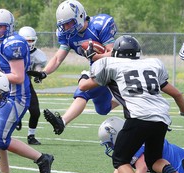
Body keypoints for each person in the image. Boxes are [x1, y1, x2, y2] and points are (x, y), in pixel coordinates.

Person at [79, 35, 184, 173]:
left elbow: (84, 87)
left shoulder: (112, 65)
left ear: (116, 53)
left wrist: (85, 73)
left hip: (139, 116)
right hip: (161, 117)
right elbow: (177, 94)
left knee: (120, 159)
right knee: (153, 159)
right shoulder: (152, 64)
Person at [28, 0, 118, 135]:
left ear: (80, 16)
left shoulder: (99, 25)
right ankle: (122, 98)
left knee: (83, 90)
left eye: (69, 23)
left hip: (114, 67)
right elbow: (58, 58)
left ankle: (62, 122)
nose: (66, 28)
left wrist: (94, 57)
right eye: (63, 25)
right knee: (102, 109)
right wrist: (44, 73)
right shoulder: (67, 35)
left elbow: (113, 54)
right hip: (98, 68)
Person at [0, 9, 54, 173]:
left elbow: (17, 76)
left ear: (9, 27)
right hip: (1, 96)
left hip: (16, 97)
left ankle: (42, 159)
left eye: (1, 26)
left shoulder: (13, 44)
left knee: (1, 138)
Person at [18, 26, 47, 145]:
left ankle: (31, 136)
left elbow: (37, 67)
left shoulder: (37, 54)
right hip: (12, 83)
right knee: (13, 109)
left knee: (35, 111)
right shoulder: (14, 51)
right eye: (26, 41)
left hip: (26, 82)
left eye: (31, 40)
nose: (29, 44)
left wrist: (38, 75)